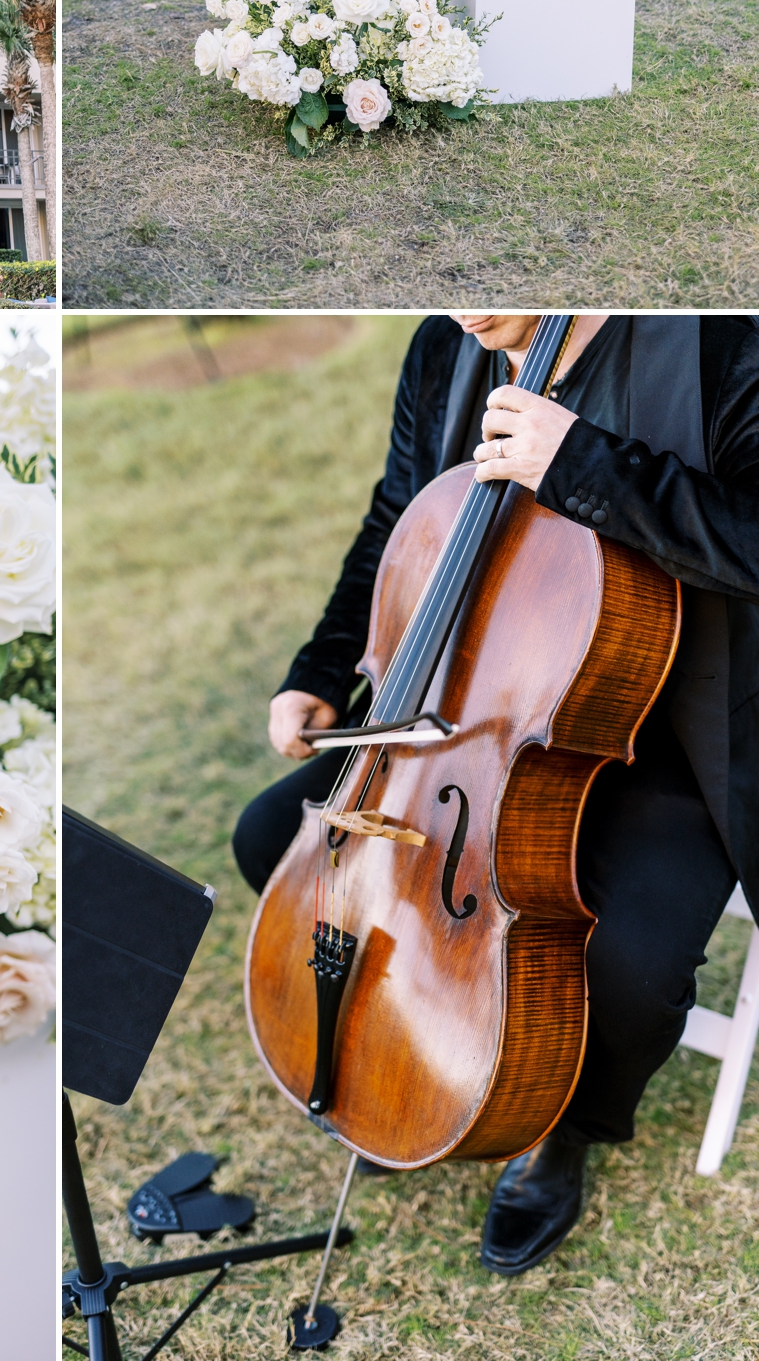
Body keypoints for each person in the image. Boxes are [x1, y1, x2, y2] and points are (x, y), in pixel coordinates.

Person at [233, 313, 759, 1276]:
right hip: (468, 714)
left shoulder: (722, 341)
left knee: (627, 967)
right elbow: (400, 509)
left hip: (670, 731)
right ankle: (414, 1051)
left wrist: (583, 463)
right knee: (274, 835)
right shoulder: (444, 344)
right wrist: (315, 666)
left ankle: (555, 1118)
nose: (467, 307)